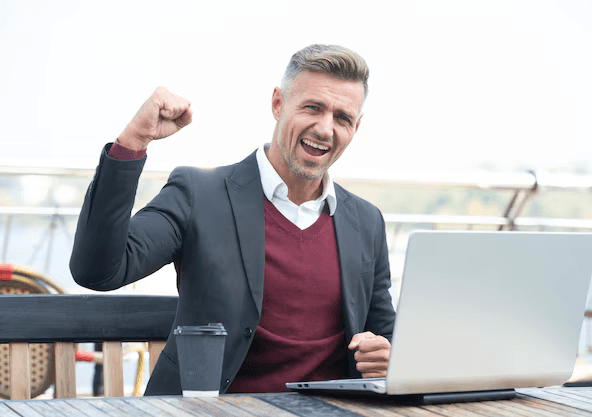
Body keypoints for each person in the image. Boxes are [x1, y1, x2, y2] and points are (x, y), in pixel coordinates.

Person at [70, 44, 396, 395]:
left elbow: (385, 335)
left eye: (342, 118)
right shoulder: (199, 194)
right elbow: (98, 271)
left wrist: (389, 357)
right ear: (277, 104)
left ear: (356, 127)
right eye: (313, 108)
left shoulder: (366, 222)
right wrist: (134, 140)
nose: (325, 128)